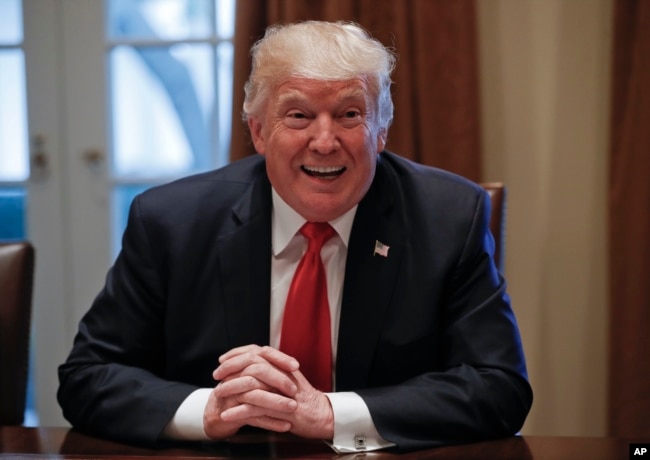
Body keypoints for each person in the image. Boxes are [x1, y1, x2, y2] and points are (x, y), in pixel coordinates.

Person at [58, 20, 532, 453]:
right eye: (299, 116)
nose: (325, 142)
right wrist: (209, 410)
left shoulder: (448, 218)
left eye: (349, 114)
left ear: (381, 130)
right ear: (259, 131)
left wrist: (327, 413)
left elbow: (499, 388)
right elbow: (89, 377)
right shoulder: (172, 222)